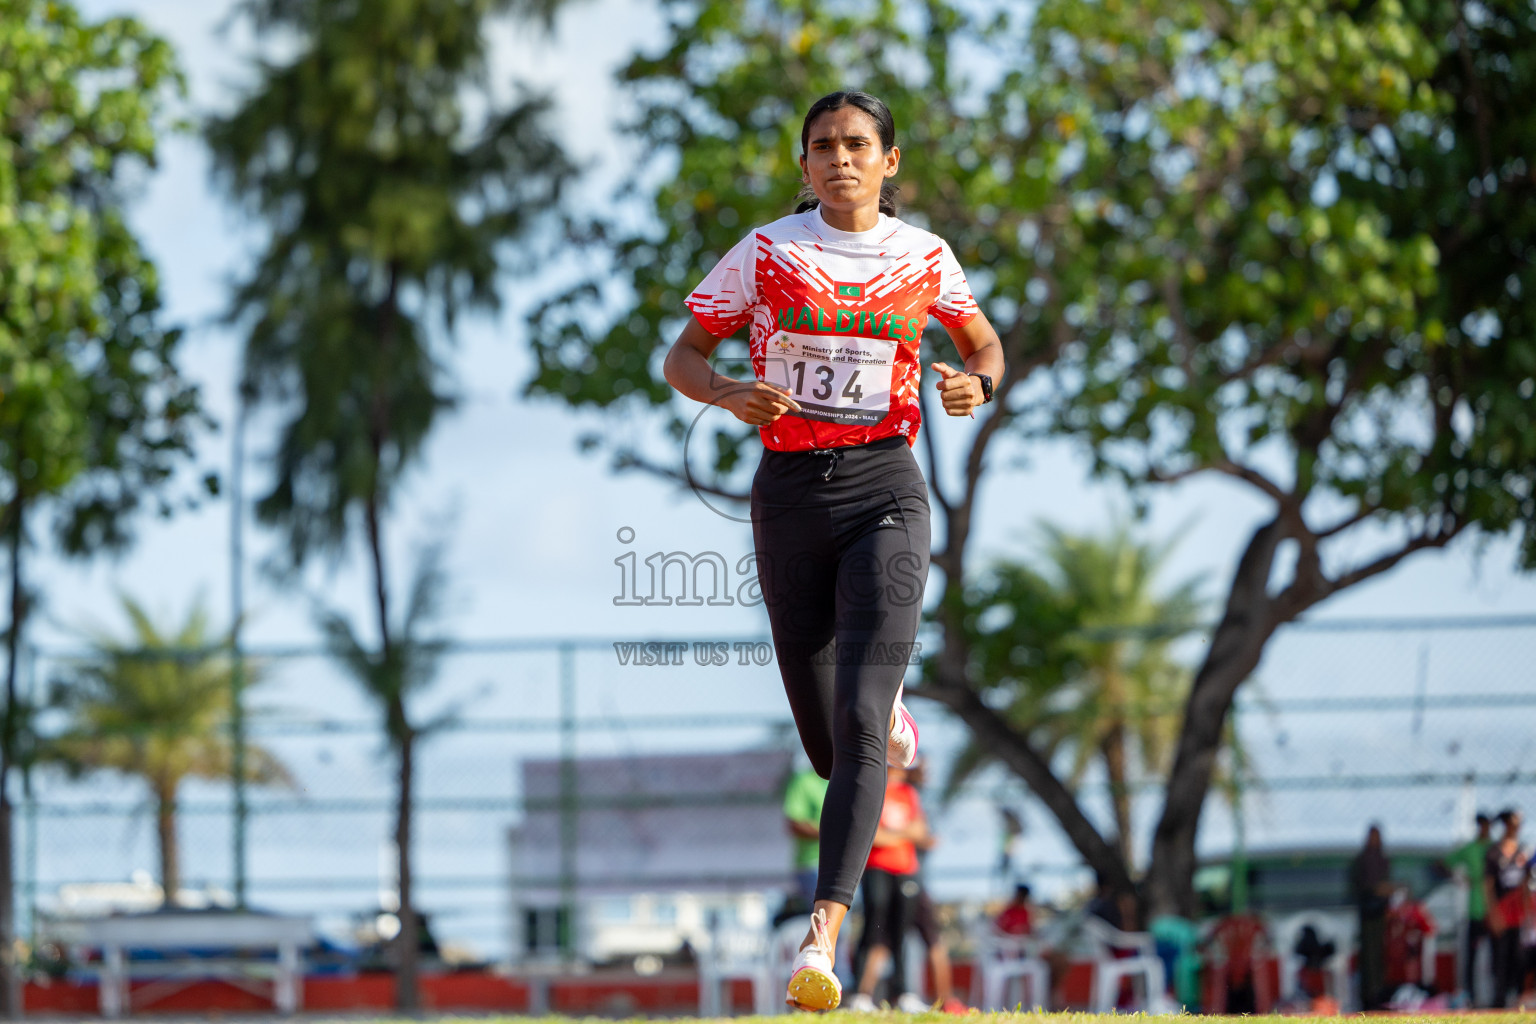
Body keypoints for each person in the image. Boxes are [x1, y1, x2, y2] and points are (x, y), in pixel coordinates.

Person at [663, 89, 1004, 1012]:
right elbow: (683, 357)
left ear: (890, 162)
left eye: (858, 145)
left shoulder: (925, 258)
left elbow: (982, 344)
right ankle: (886, 725)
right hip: (786, 500)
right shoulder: (767, 253)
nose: (840, 159)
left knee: (857, 716)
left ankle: (823, 939)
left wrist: (973, 383)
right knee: (828, 745)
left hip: (886, 491)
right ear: (802, 163)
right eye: (823, 146)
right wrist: (729, 392)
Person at [847, 762, 928, 1012]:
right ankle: (860, 994)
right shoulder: (874, 791)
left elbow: (921, 831)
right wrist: (902, 834)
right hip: (876, 868)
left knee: (900, 932)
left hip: (905, 870)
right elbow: (871, 834)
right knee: (873, 927)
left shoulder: (909, 793)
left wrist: (893, 834)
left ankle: (902, 992)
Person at [1441, 811, 1493, 1002]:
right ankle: (1470, 996)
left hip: (1494, 912)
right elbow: (1446, 863)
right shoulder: (1470, 848)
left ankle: (1497, 996)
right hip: (1475, 910)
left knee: (1497, 958)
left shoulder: (1494, 848)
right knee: (1470, 958)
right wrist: (1460, 878)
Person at [1484, 808, 1529, 1006]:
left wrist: (1527, 912)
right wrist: (1493, 914)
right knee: (1500, 958)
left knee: (1519, 958)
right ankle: (1499, 1002)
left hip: (1518, 913)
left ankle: (1518, 1000)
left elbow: (1525, 883)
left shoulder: (1522, 851)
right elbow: (1488, 885)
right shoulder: (1494, 852)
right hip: (1501, 912)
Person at [1349, 823, 1393, 1010]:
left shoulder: (1383, 860)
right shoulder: (1361, 860)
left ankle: (1379, 995)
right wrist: (1376, 891)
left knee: (1380, 956)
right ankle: (1368, 998)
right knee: (1368, 957)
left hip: (1380, 914)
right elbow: (1360, 887)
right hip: (1367, 914)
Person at [782, 761, 829, 915]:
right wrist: (834, 835)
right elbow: (795, 823)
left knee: (842, 925)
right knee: (823, 919)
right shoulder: (803, 781)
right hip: (813, 865)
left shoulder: (848, 778)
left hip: (849, 864)